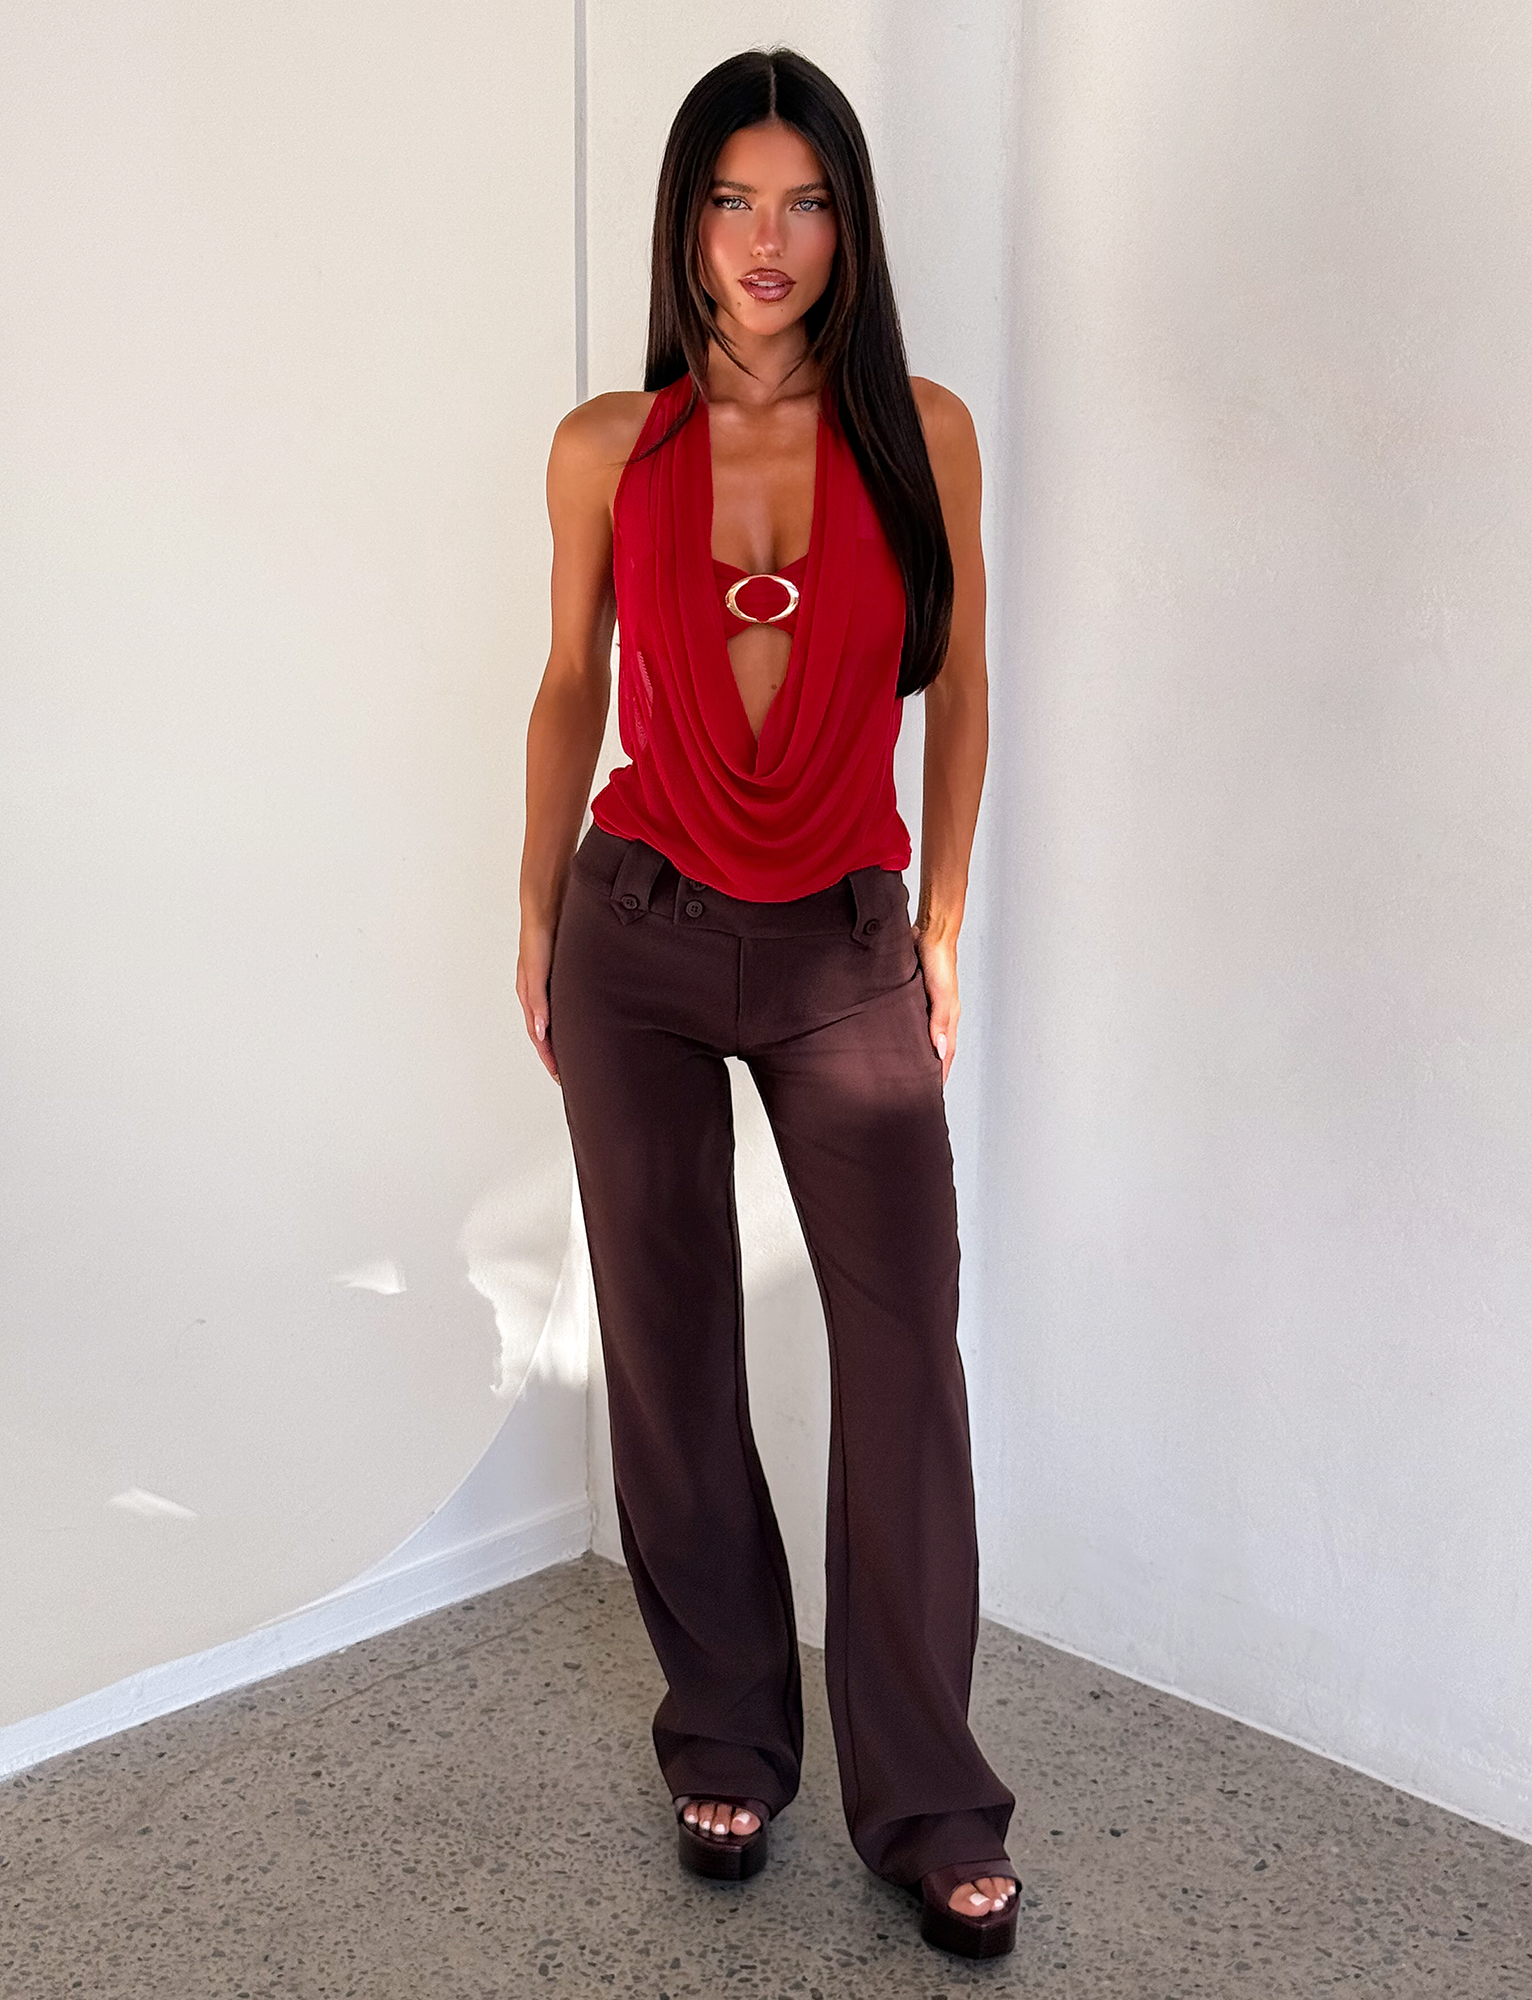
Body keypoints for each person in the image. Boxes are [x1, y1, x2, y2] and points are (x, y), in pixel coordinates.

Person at [516, 46, 1019, 1962]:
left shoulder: (923, 433)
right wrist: (532, 907)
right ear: (686, 220)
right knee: (670, 1346)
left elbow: (963, 686)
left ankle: (932, 1800)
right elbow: (570, 682)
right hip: (636, 930)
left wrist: (942, 918)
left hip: (842, 945)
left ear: (848, 228)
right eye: (733, 197)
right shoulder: (604, 446)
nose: (767, 238)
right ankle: (725, 1731)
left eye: (805, 201)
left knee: (905, 1367)